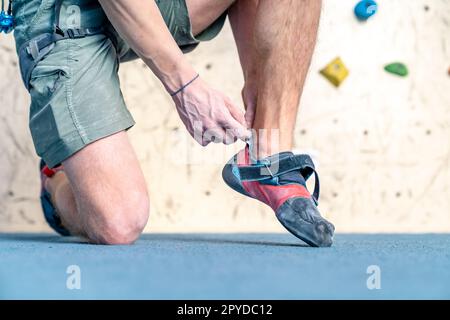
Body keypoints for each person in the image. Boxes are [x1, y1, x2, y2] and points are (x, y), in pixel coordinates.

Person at [13, 0, 334, 246]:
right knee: (120, 222)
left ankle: (268, 156)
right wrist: (185, 87)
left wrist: (257, 75)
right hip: (62, 13)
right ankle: (54, 181)